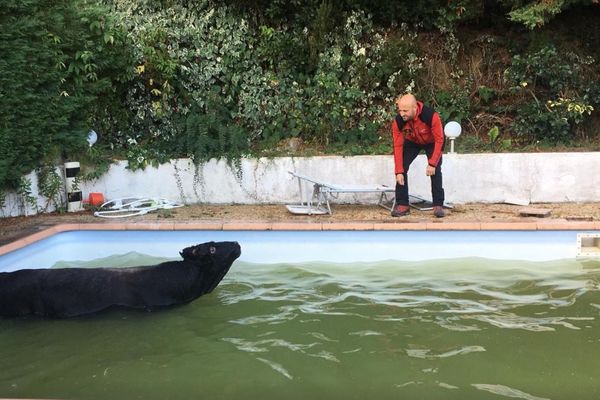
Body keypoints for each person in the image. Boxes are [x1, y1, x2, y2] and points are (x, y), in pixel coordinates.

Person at [390, 93, 446, 218]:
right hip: (413, 141)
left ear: (415, 108)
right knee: (402, 168)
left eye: (405, 110)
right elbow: (397, 146)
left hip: (432, 142)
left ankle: (438, 205)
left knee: (435, 169)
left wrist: (432, 163)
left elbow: (440, 140)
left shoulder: (430, 115)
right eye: (400, 110)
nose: (402, 114)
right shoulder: (398, 121)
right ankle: (403, 204)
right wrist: (398, 171)